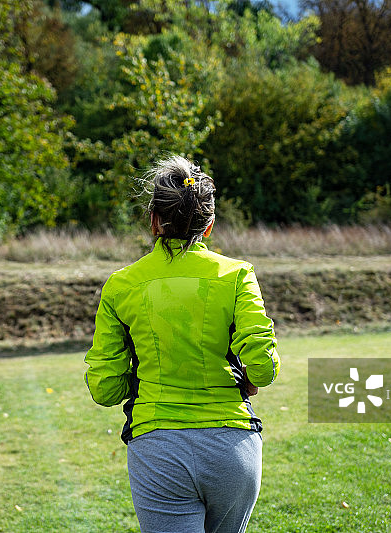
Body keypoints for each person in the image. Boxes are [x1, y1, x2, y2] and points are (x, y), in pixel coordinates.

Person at [84, 155, 281, 533]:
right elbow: (263, 369)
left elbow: (105, 389)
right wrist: (250, 375)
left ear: (154, 221)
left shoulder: (121, 285)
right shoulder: (237, 274)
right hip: (233, 447)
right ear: (209, 224)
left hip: (157, 449)